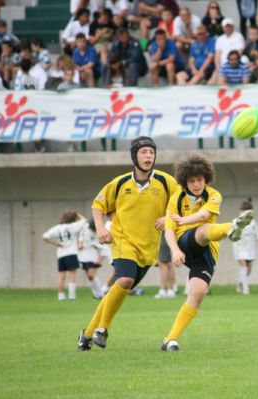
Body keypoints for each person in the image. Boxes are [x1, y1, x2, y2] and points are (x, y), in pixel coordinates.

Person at [77, 136, 180, 351]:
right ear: (134, 156)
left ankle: (86, 334)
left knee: (120, 288)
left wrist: (168, 217)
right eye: (143, 152)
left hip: (148, 248)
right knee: (124, 280)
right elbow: (98, 205)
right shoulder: (120, 183)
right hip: (122, 241)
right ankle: (102, 328)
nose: (148, 156)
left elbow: (180, 203)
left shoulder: (165, 181)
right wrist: (101, 227)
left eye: (151, 152)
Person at [161, 154, 254, 351]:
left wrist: (184, 219)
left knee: (198, 293)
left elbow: (204, 214)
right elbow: (169, 230)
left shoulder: (213, 195)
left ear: (206, 179)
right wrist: (175, 251)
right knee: (203, 230)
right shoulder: (175, 198)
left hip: (207, 252)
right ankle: (232, 226)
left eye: (200, 180)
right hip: (184, 241)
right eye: (192, 181)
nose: (196, 184)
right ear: (184, 181)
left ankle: (171, 338)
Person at [43, 211, 86, 301]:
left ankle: (61, 295)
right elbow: (84, 220)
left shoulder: (57, 228)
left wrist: (55, 244)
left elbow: (45, 236)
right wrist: (77, 214)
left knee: (61, 276)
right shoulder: (72, 226)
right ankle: (72, 296)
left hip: (60, 255)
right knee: (72, 275)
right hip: (71, 253)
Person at [233, 200, 258, 295]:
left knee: (248, 269)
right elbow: (231, 231)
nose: (242, 213)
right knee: (243, 266)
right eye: (241, 211)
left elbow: (257, 234)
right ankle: (245, 289)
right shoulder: (236, 221)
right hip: (239, 247)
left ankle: (240, 282)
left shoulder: (253, 223)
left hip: (250, 248)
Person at [78, 219, 105, 299]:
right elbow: (81, 236)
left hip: (92, 256)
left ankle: (101, 293)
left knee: (91, 275)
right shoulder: (85, 228)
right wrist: (80, 243)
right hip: (83, 256)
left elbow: (104, 248)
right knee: (89, 276)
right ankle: (97, 294)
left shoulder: (99, 233)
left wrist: (100, 259)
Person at [214, 18, 245, 82]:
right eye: (226, 26)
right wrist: (219, 69)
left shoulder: (238, 36)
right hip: (223, 66)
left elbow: (240, 52)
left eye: (229, 26)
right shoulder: (220, 39)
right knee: (213, 80)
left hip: (235, 64)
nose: (228, 28)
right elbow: (217, 55)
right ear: (223, 28)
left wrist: (230, 64)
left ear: (233, 27)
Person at [89, 8, 117, 74]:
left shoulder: (111, 24)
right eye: (105, 19)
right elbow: (92, 41)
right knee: (103, 50)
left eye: (108, 20)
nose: (106, 22)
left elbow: (116, 38)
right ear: (101, 16)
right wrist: (101, 33)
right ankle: (106, 70)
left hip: (110, 43)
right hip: (98, 43)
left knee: (115, 49)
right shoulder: (93, 24)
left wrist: (112, 35)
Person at [154, 233, 176, 298]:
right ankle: (171, 290)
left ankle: (163, 290)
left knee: (163, 263)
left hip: (164, 232)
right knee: (169, 264)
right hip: (168, 233)